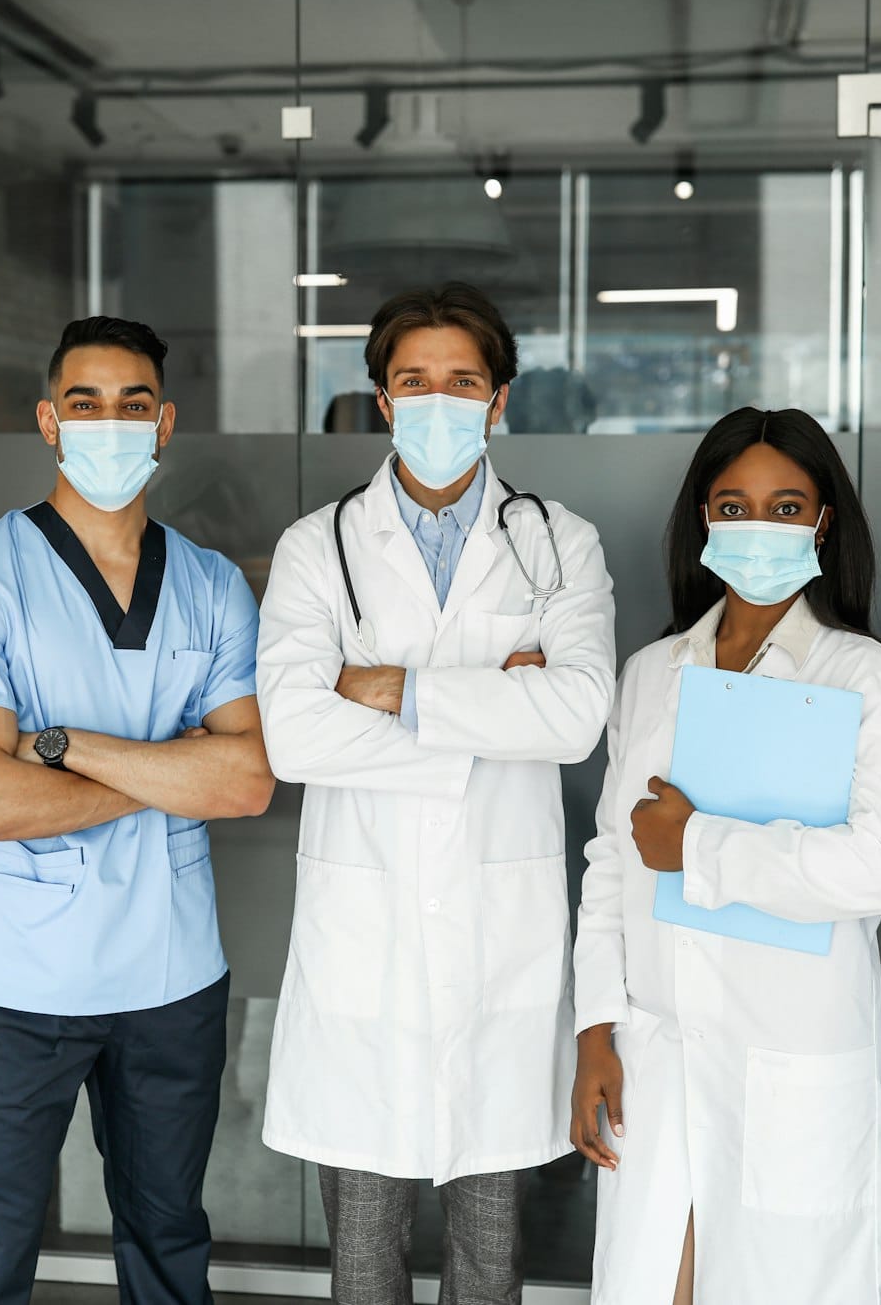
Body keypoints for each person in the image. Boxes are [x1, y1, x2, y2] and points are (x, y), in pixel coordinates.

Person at [256, 282, 617, 1304]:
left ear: (498, 399)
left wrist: (390, 691)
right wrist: (487, 714)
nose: (437, 400)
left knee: (488, 1254)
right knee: (363, 1254)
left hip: (498, 934)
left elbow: (578, 714)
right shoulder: (315, 545)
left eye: (462, 380)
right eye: (413, 380)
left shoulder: (557, 540)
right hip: (360, 938)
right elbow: (291, 733)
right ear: (379, 398)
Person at [0, 317, 275, 1305]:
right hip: (19, 977)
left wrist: (64, 745)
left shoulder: (207, 585)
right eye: (83, 403)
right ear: (47, 421)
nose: (107, 424)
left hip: (171, 973)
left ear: (163, 425)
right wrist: (175, 768)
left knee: (167, 1238)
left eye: (130, 405)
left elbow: (245, 784)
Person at [569, 408, 881, 1304]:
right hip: (655, 1049)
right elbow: (612, 862)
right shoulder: (654, 671)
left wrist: (698, 845)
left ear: (823, 522)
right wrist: (592, 1030)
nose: (757, 527)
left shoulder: (864, 677)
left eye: (785, 505)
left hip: (791, 1061)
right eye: (733, 504)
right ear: (702, 516)